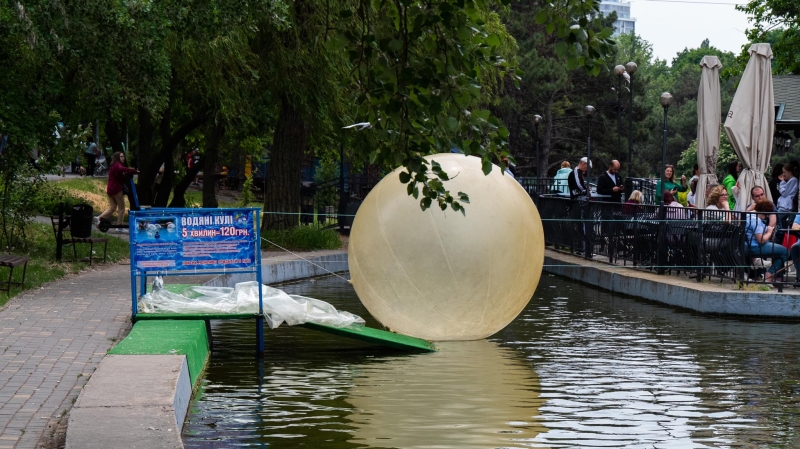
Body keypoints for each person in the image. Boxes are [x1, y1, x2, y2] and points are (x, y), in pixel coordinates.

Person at [95, 152, 139, 233]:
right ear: (117, 157)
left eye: (123, 156)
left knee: (112, 207)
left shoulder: (113, 166)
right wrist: (135, 171)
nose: (123, 158)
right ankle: (119, 226)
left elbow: (120, 172)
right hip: (116, 190)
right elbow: (123, 169)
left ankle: (99, 218)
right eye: (121, 156)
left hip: (110, 189)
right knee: (121, 208)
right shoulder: (117, 165)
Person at [746, 200, 786, 283]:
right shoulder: (755, 220)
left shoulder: (748, 215)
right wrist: (769, 231)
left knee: (780, 250)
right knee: (785, 252)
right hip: (754, 247)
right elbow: (761, 240)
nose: (768, 216)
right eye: (768, 214)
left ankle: (768, 274)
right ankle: (769, 275)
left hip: (747, 245)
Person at [777, 162, 798, 228]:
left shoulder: (793, 180)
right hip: (784, 206)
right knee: (778, 220)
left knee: (776, 219)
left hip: (785, 207)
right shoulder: (791, 181)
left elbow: (784, 193)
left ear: (790, 172)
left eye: (784, 172)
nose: (783, 174)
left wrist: (782, 182)